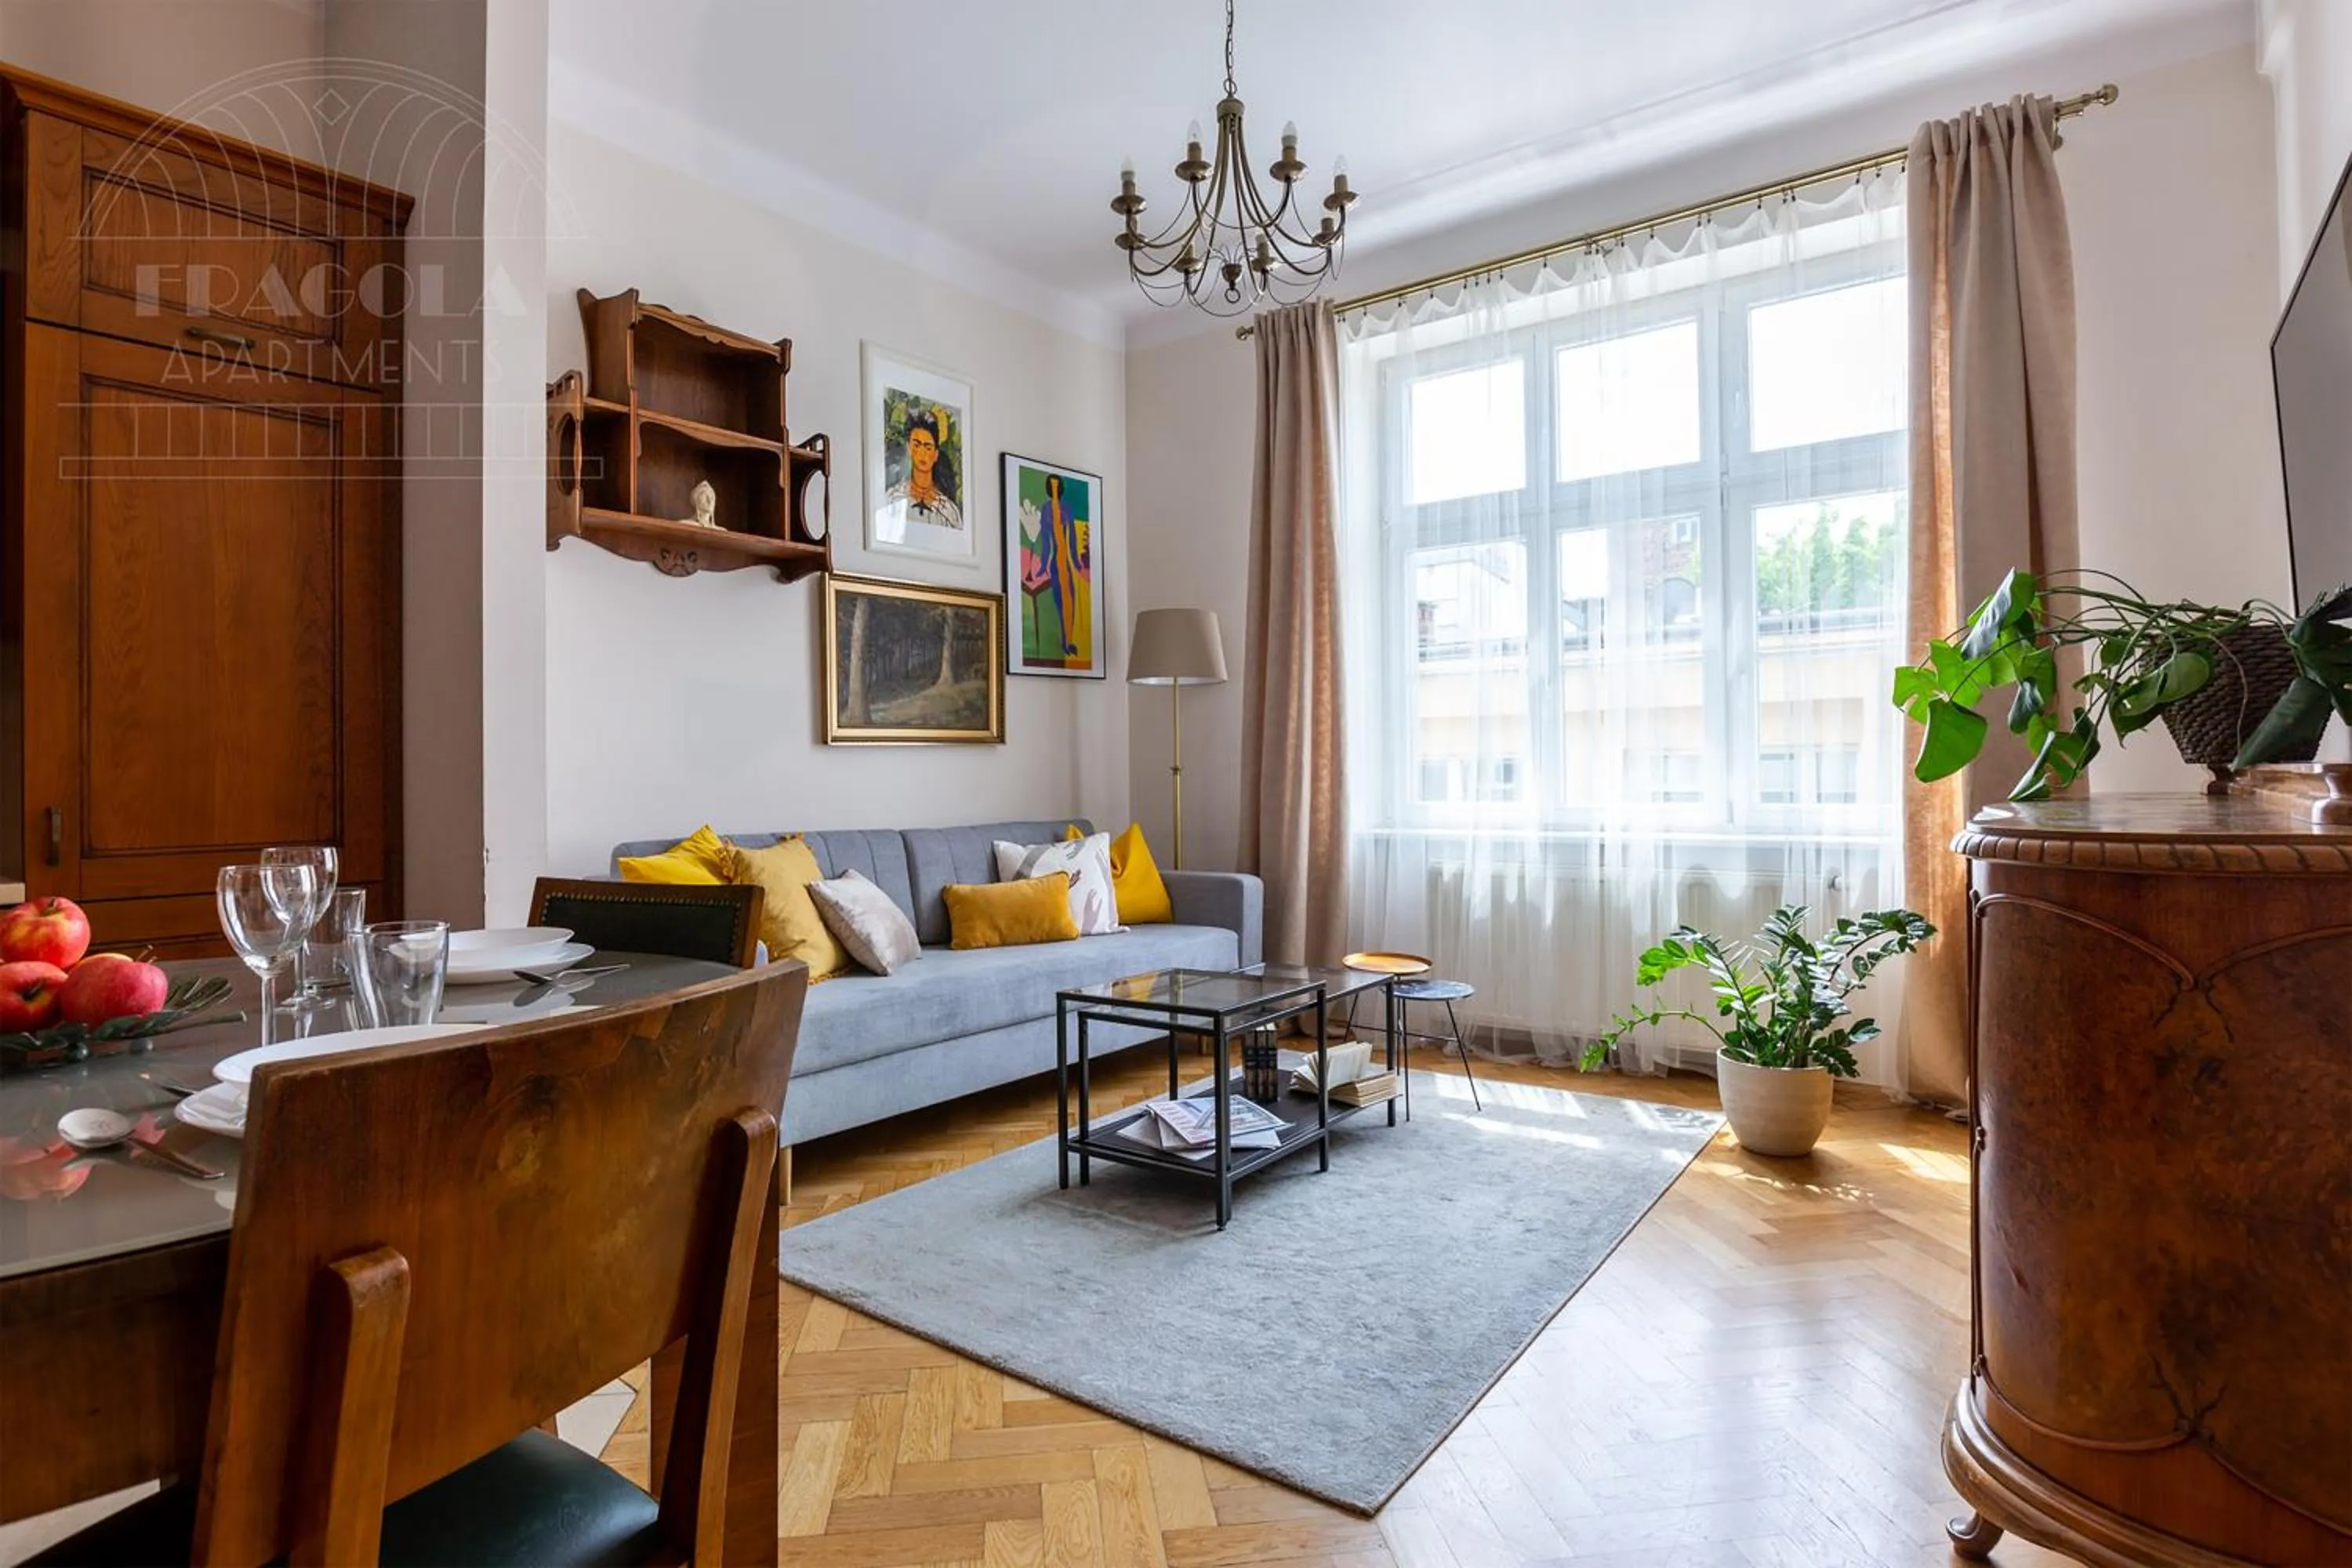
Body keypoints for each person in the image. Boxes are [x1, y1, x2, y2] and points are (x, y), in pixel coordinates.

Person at [882, 405, 962, 533]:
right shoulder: (893, 499)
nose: (922, 454)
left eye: (928, 447)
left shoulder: (948, 511)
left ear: (936, 454)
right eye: (917, 445)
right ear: (909, 448)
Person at [1037, 473, 1085, 657]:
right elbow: (1045, 540)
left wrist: (1076, 560)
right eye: (1053, 485)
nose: (1056, 488)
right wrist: (1043, 565)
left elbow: (1071, 536)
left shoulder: (1067, 508)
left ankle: (1069, 640)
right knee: (1061, 601)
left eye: (1058, 485)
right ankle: (1065, 642)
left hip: (1067, 563)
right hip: (1056, 564)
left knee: (1070, 601)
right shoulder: (1046, 509)